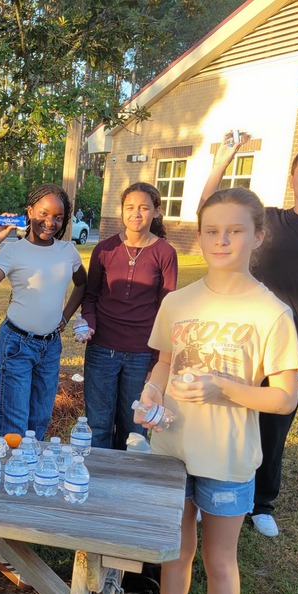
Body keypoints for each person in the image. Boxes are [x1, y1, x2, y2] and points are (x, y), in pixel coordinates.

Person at [126, 187, 298, 594]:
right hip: (171, 451)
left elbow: (283, 397)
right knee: (174, 554)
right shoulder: (179, 301)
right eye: (211, 230)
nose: (222, 240)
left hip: (227, 458)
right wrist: (151, 396)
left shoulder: (271, 312)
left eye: (235, 230)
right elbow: (163, 365)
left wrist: (226, 387)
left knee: (220, 562)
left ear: (258, 236)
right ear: (198, 235)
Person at [200, 139, 298, 537]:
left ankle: (261, 503)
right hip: (242, 337)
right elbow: (211, 206)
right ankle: (209, 491)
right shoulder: (267, 220)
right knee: (225, 414)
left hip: (293, 343)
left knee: (274, 423)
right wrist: (222, 161)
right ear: (291, 178)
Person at [0, 183, 86, 438]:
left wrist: (65, 316)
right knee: (13, 424)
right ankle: (5, 474)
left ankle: (31, 475)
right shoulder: (13, 251)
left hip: (51, 346)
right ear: (30, 211)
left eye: (58, 217)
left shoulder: (68, 251)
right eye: (44, 213)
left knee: (39, 422)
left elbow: (82, 284)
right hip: (17, 345)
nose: (50, 222)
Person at [80, 182, 178, 449]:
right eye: (130, 208)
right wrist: (88, 323)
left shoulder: (165, 253)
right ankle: (98, 481)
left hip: (141, 354)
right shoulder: (104, 250)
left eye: (144, 208)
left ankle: (127, 485)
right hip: (102, 350)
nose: (136, 214)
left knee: (134, 427)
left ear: (156, 212)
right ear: (122, 211)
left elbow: (167, 309)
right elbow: (90, 297)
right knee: (97, 424)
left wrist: (157, 363)